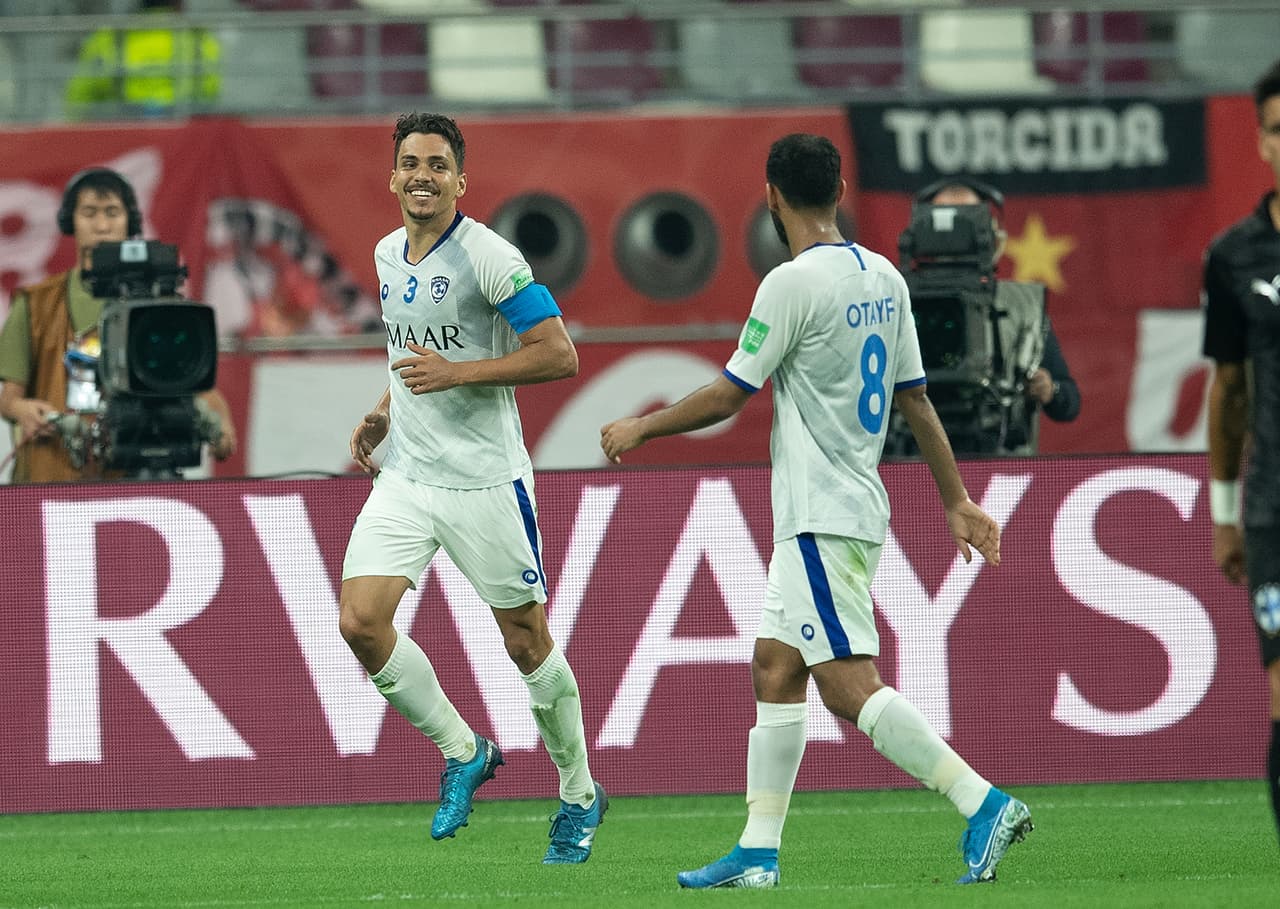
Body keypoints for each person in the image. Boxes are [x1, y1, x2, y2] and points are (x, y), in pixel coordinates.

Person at [600, 133, 1031, 888]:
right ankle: (758, 851)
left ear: (772, 197)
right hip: (849, 507)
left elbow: (733, 391)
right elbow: (917, 399)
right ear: (838, 193)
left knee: (845, 682)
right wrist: (955, 498)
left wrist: (642, 424)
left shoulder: (790, 284)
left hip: (819, 515)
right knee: (776, 666)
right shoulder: (886, 278)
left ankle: (981, 801)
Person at [338, 112, 604, 863]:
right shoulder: (389, 253)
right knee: (360, 621)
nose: (423, 175)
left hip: (486, 481)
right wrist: (387, 410)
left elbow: (559, 355)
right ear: (393, 177)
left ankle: (580, 791)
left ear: (461, 179)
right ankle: (464, 751)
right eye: (411, 163)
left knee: (527, 643)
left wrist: (458, 375)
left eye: (437, 164)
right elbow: (409, 348)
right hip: (410, 477)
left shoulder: (492, 258)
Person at [0, 167, 235, 483]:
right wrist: (21, 410)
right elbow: (8, 396)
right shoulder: (34, 304)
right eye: (89, 213)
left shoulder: (164, 308)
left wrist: (221, 423)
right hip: (51, 476)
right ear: (71, 221)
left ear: (130, 222)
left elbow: (197, 386)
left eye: (112, 213)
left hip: (134, 476)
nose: (101, 225)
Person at [1202, 58, 1280, 845]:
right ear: (1261, 142)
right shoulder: (1236, 257)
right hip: (1273, 509)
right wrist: (1224, 514)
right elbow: (1227, 392)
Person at [921, 179, 1080, 430]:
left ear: (992, 231)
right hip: (912, 458)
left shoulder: (1023, 306)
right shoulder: (895, 300)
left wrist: (1050, 389)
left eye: (967, 219)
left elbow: (1070, 403)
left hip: (1001, 456)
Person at [65, 0, 220, 121]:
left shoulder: (107, 38)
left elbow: (79, 100)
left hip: (119, 138)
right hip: (183, 134)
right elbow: (210, 92)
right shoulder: (199, 38)